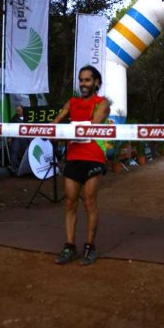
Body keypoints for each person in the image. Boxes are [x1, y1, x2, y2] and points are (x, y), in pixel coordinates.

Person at [52, 65, 111, 265]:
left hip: (94, 156)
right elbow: (57, 121)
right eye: (81, 80)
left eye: (87, 80)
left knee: (89, 202)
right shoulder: (72, 102)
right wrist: (50, 130)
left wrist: (70, 129)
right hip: (74, 156)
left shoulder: (102, 103)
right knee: (70, 202)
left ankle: (89, 247)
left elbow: (93, 125)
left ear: (96, 82)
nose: (83, 84)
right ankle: (69, 247)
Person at [8, 105, 30, 174]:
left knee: (26, 152)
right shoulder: (14, 118)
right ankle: (13, 167)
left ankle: (27, 168)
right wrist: (10, 138)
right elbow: (11, 129)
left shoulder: (28, 117)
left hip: (26, 138)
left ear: (22, 110)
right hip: (17, 138)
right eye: (17, 110)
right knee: (14, 150)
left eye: (19, 110)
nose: (18, 112)